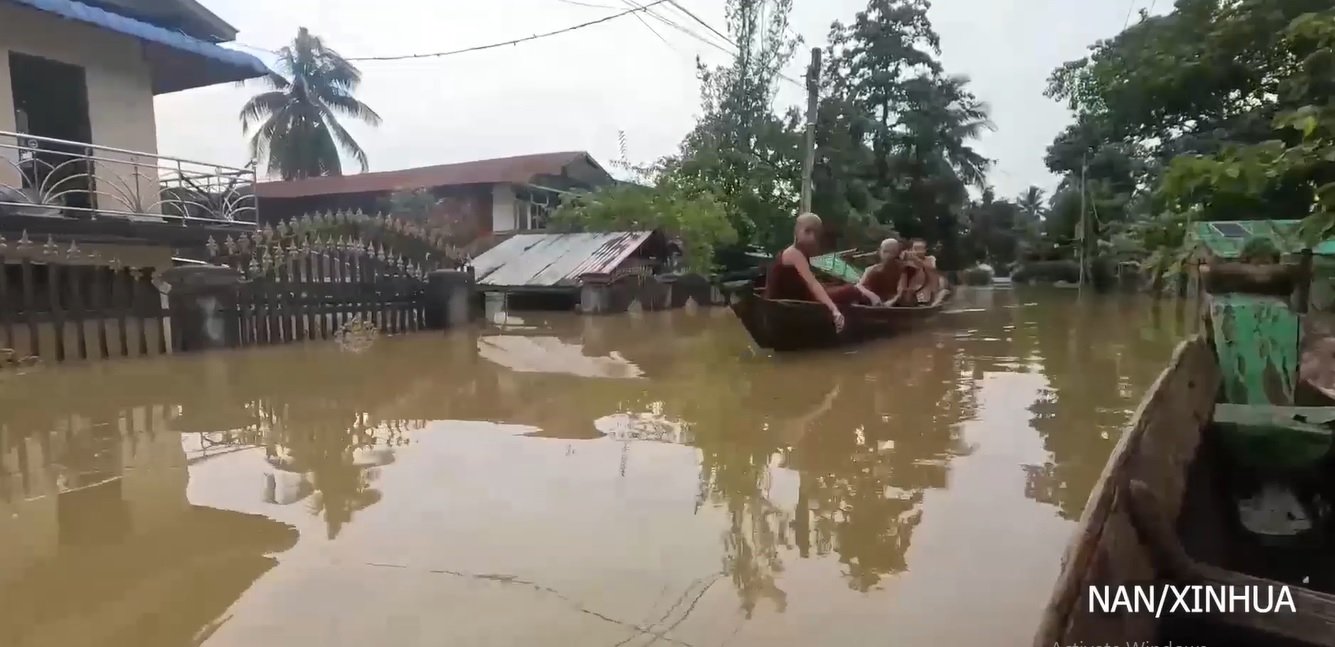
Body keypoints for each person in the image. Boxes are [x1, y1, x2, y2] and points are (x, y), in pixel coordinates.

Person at [764, 213, 861, 332]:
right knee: (852, 290)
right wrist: (834, 310)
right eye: (807, 231)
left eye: (816, 234)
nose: (812, 237)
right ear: (796, 232)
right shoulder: (794, 254)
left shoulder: (801, 252)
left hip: (800, 296)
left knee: (839, 286)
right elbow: (812, 284)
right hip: (792, 302)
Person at [857, 238, 910, 306]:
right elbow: (859, 286)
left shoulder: (902, 269)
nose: (888, 255)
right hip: (874, 302)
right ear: (880, 251)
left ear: (897, 253)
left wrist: (891, 302)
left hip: (895, 304)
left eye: (893, 252)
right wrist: (873, 296)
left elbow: (901, 290)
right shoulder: (872, 269)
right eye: (885, 251)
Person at [900, 238, 942, 305]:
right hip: (912, 292)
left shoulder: (930, 259)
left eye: (920, 248)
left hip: (927, 292)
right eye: (915, 248)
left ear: (925, 250)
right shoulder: (908, 262)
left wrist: (916, 260)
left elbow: (932, 269)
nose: (918, 251)